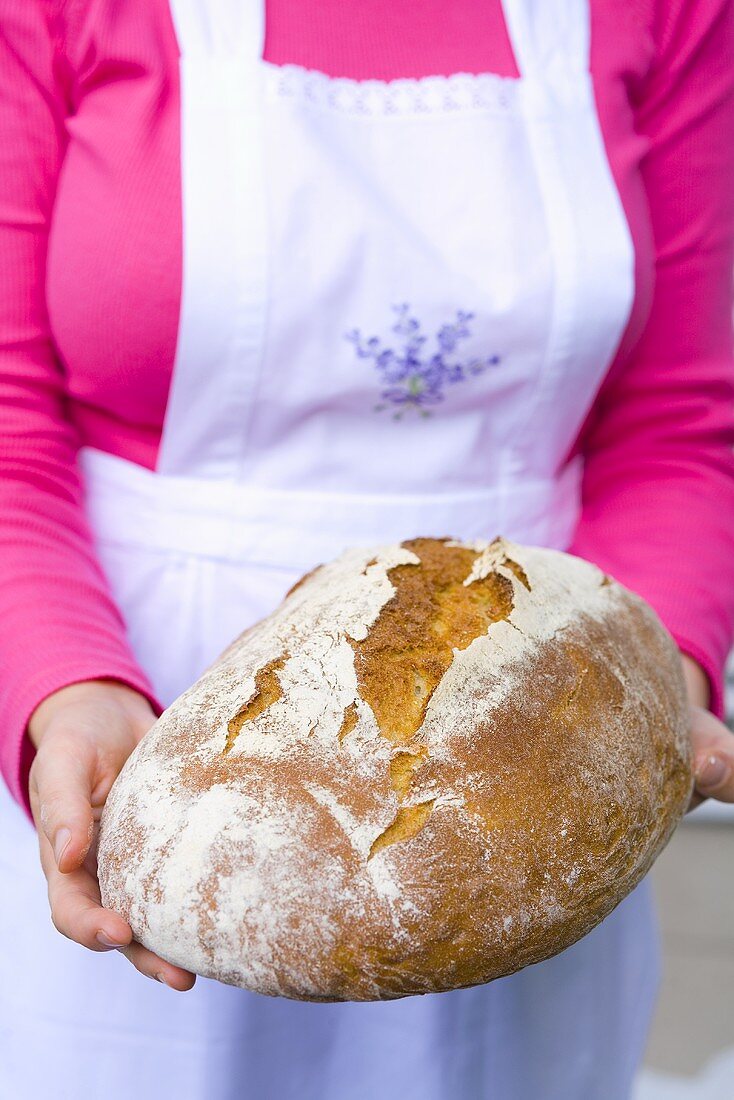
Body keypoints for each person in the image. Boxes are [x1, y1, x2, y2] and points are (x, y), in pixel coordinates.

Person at [1, 1, 733, 1097]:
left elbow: (675, 426)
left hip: (526, 725)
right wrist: (62, 687)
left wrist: (643, 671)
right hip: (146, 724)